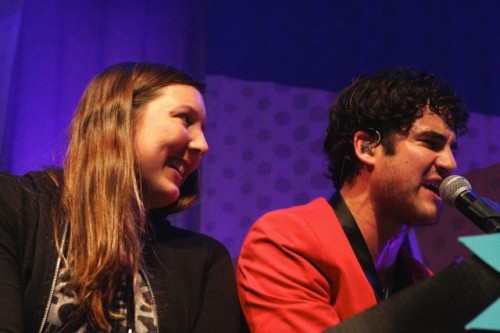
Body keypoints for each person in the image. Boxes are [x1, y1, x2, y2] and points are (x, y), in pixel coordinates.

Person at [0, 62, 244, 332]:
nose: (202, 145)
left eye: (203, 129)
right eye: (185, 119)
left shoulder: (203, 260)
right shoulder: (12, 205)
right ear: (120, 120)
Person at [236, 68, 470, 332]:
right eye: (430, 142)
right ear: (366, 147)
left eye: (452, 148)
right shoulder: (286, 241)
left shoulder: (420, 278)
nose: (450, 163)